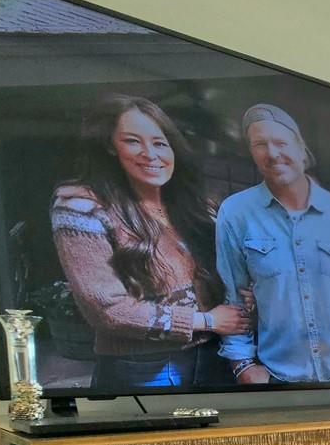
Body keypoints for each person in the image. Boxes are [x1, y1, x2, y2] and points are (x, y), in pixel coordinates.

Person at [51, 95, 248, 392]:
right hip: (142, 367)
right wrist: (207, 321)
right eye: (132, 141)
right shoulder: (81, 207)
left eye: (159, 143)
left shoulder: (199, 206)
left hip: (218, 357)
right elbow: (107, 310)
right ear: (109, 146)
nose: (150, 154)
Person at [214, 104, 330, 384]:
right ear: (251, 152)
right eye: (260, 144)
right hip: (280, 378)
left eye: (281, 142)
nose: (272, 153)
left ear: (301, 148)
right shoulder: (236, 212)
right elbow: (233, 295)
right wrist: (243, 366)